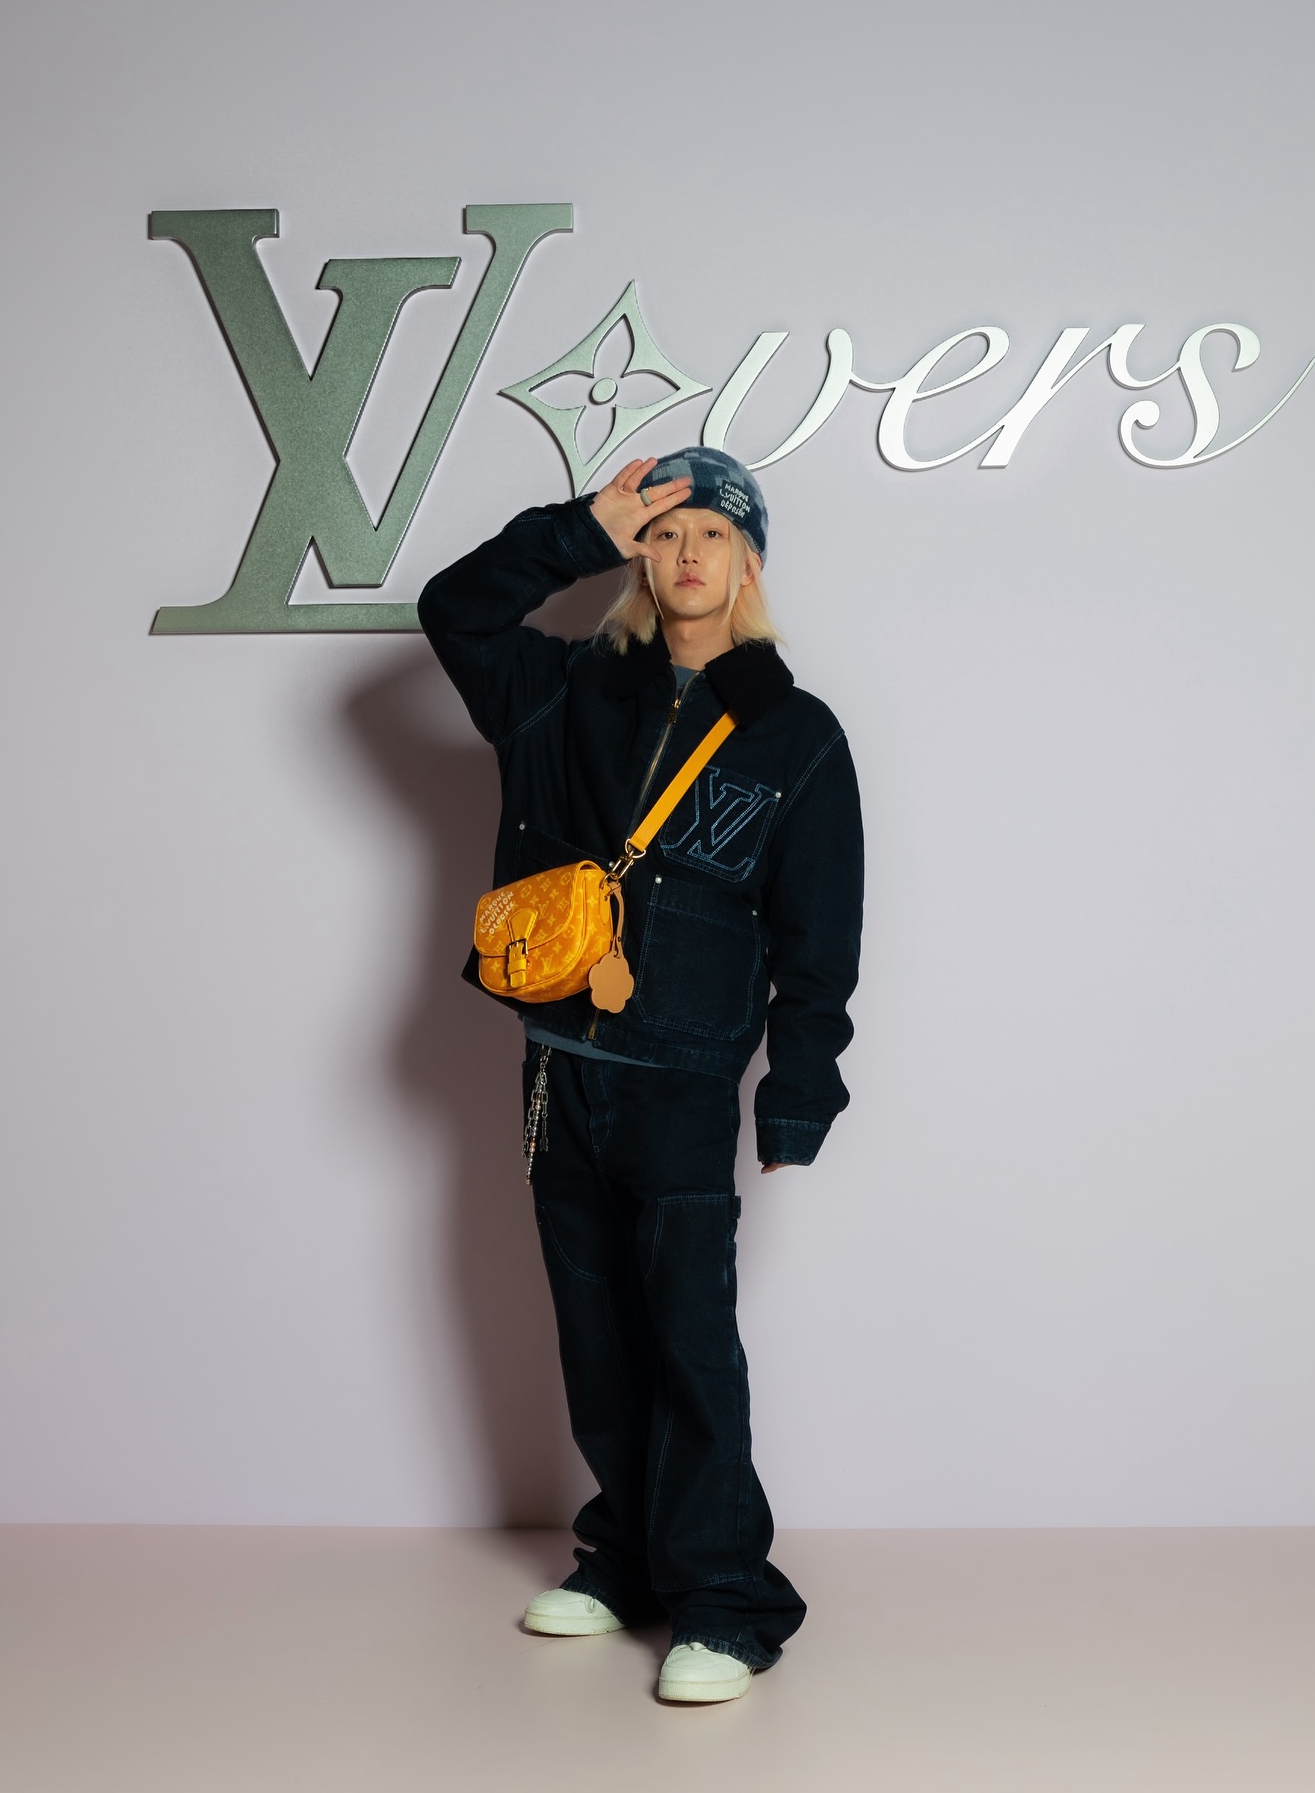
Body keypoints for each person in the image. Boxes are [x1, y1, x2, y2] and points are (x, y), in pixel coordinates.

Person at [418, 446, 864, 1703]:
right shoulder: (559, 690)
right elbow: (454, 609)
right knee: (595, 1331)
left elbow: (820, 939)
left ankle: (723, 1599)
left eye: (711, 534)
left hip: (684, 1077)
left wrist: (798, 1091)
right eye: (664, 534)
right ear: (639, 557)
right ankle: (626, 1558)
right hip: (556, 1066)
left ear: (749, 563)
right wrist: (579, 527)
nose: (686, 554)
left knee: (687, 1339)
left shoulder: (796, 734)